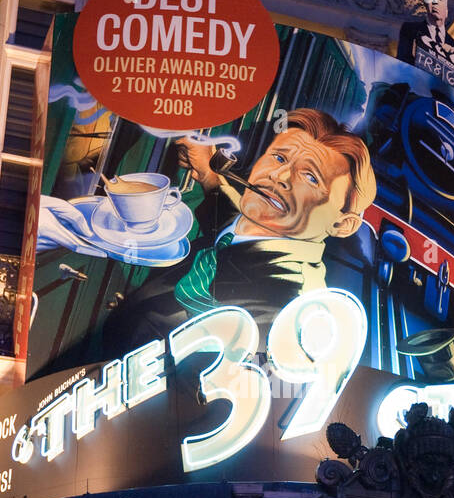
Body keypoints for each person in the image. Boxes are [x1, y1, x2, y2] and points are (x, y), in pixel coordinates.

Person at [102, 107, 376, 352]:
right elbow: (236, 223)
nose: (277, 177)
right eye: (280, 158)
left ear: (342, 224)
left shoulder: (290, 306)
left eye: (310, 177)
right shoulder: (265, 226)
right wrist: (208, 174)